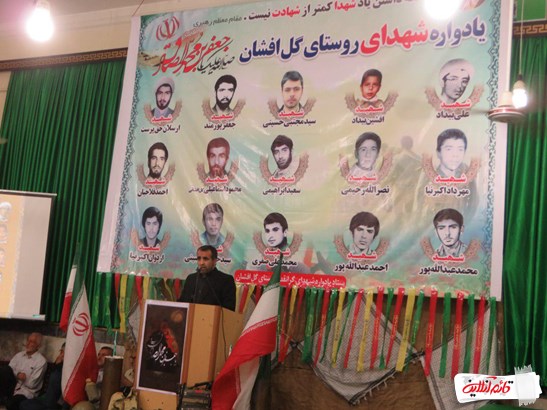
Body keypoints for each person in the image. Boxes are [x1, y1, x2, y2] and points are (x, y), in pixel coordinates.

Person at [178, 245, 236, 311]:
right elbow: (182, 303)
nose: (201, 263)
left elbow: (229, 309)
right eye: (199, 258)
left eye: (205, 259)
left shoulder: (226, 280)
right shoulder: (191, 279)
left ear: (214, 261)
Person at [0, 333, 47, 410]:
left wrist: (23, 378)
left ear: (38, 346)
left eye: (32, 342)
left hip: (26, 392)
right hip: (13, 387)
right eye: (28, 340)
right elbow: (9, 370)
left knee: (11, 404)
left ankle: (6, 400)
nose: (28, 343)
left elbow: (32, 384)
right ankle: (4, 398)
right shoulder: (19, 355)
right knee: (4, 370)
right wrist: (18, 374)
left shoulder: (41, 361)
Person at [19, 344, 67, 410]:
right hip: (45, 398)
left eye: (63, 353)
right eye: (61, 352)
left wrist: (58, 366)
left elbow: (51, 400)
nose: (61, 355)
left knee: (24, 405)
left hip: (53, 403)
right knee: (23, 403)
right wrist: (56, 365)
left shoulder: (62, 372)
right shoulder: (58, 366)